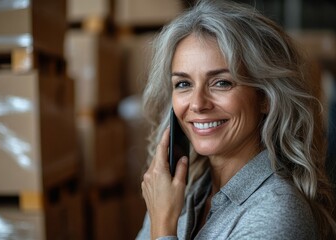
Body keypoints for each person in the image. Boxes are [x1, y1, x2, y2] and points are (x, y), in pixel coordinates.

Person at [136, 0, 336, 239]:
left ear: (265, 97)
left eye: (222, 83)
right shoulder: (184, 190)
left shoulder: (276, 214)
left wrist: (163, 227)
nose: (198, 104)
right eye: (184, 84)